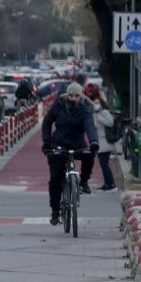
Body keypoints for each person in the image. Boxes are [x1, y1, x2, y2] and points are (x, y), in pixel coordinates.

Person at [41, 82, 99, 225]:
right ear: (67, 95)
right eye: (71, 95)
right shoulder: (58, 106)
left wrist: (93, 142)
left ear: (81, 96)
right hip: (58, 143)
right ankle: (55, 211)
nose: (73, 98)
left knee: (89, 155)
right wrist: (47, 142)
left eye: (77, 96)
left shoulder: (85, 109)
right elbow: (47, 123)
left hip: (77, 142)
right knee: (55, 178)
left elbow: (90, 127)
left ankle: (84, 181)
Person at [85, 86, 117, 192]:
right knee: (103, 164)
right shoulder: (96, 113)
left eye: (98, 102)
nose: (96, 105)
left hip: (105, 142)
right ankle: (107, 183)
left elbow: (110, 122)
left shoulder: (103, 112)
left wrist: (99, 116)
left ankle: (111, 184)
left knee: (104, 164)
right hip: (100, 142)